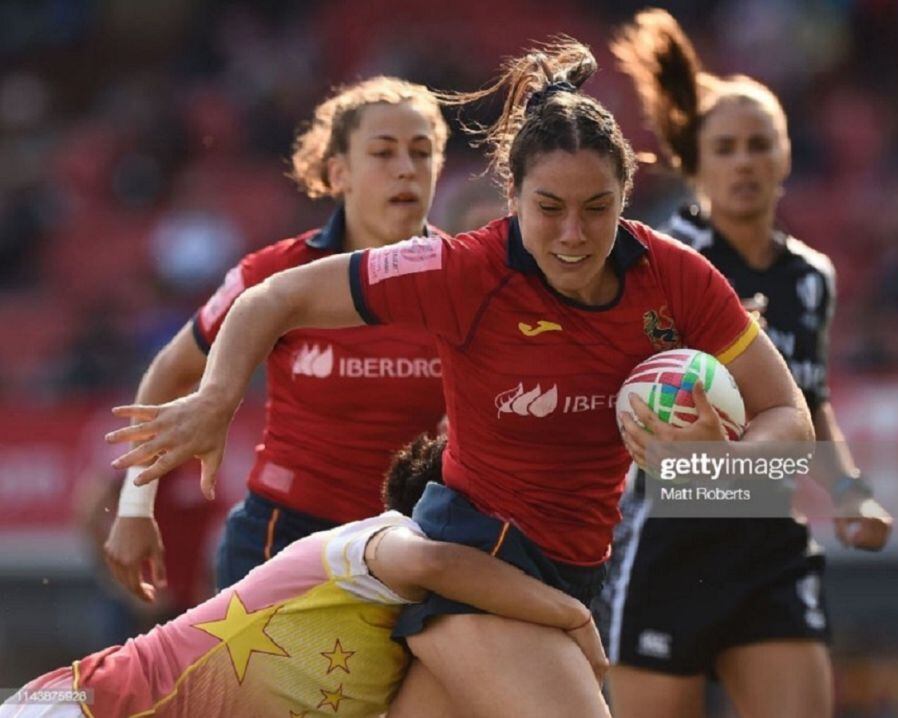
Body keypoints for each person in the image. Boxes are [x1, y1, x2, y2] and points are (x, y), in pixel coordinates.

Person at [106, 38, 813, 718]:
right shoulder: (463, 270)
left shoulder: (676, 277)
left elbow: (789, 423)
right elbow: (273, 298)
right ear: (511, 195)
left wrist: (710, 469)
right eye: (549, 209)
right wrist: (216, 403)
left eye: (597, 208)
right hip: (469, 563)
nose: (573, 233)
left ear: (626, 194)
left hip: (567, 570)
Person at [596, 10, 893, 718]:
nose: (744, 161)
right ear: (697, 161)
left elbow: (809, 399)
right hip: (672, 531)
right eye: (724, 146)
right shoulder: (663, 258)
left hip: (767, 531)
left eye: (760, 145)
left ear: (786, 159)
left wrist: (850, 491)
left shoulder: (811, 278)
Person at [103, 76, 450, 600]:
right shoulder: (275, 272)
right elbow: (171, 372)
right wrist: (134, 509)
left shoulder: (466, 278)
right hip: (282, 539)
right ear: (340, 173)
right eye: (382, 152)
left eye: (421, 152)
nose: (406, 167)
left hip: (412, 545)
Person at [1, 434, 605, 718]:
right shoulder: (379, 541)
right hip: (88, 704)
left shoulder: (416, 641)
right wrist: (572, 614)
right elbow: (435, 560)